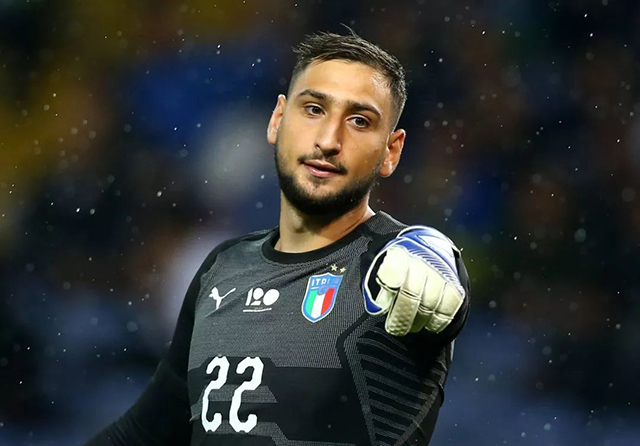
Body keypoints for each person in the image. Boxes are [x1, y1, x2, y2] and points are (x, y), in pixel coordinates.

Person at [86, 29, 471, 446]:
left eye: (359, 121)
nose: (329, 140)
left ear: (391, 152)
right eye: (314, 109)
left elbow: (440, 286)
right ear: (277, 120)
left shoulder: (392, 267)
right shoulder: (223, 268)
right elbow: (147, 431)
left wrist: (433, 251)